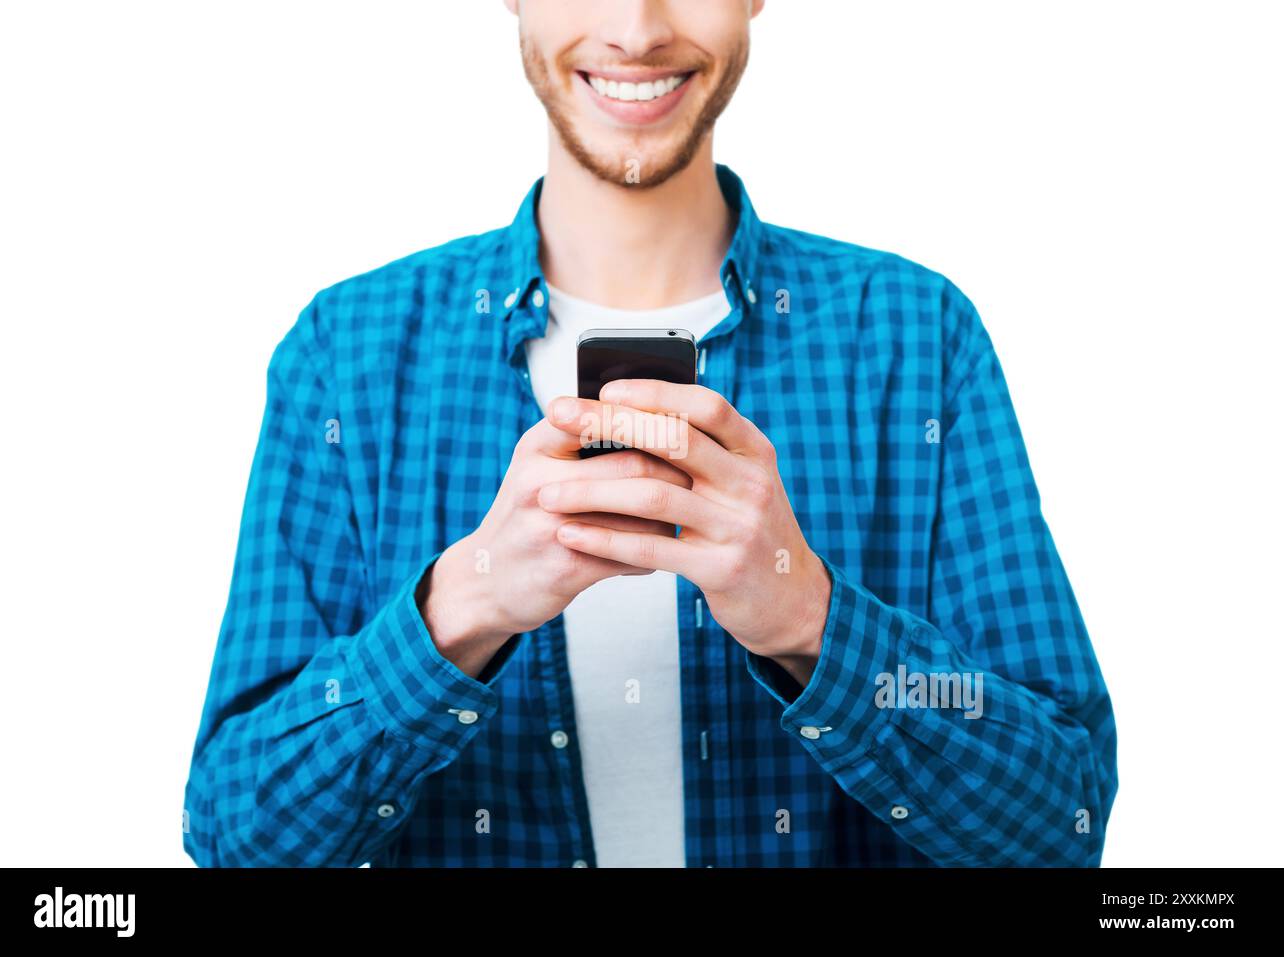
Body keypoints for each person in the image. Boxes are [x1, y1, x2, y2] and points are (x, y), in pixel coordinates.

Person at [183, 0, 1117, 868]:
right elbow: (232, 831)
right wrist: (459, 609)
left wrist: (812, 622)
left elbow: (1061, 813)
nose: (636, 29)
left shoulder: (915, 336)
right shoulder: (347, 352)